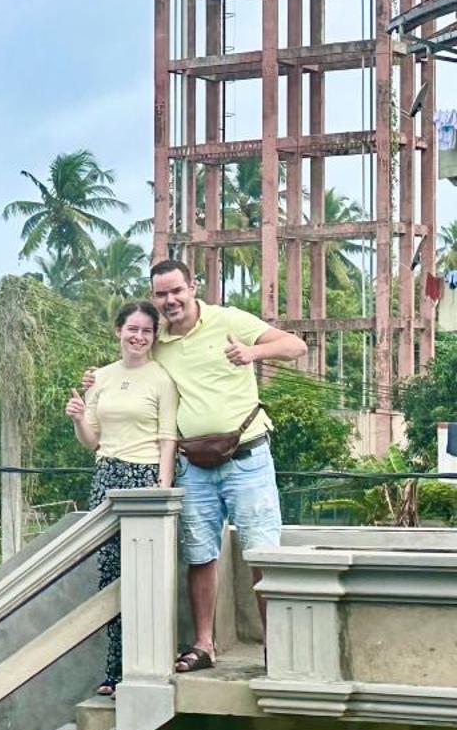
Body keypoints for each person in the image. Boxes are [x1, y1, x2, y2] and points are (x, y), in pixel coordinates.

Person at [85, 259, 307, 673]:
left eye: (176, 291)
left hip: (246, 454)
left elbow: (296, 346)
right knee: (199, 553)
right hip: (194, 463)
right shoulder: (160, 339)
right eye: (161, 294)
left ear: (193, 287)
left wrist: (253, 351)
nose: (170, 301)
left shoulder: (229, 320)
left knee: (262, 553)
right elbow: (129, 369)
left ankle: (275, 648)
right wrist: (94, 383)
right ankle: (204, 643)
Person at [65, 300, 176, 696]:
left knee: (146, 576)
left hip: (144, 476)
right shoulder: (102, 379)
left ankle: (150, 665)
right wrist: (79, 416)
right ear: (118, 330)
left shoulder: (161, 378)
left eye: (146, 331)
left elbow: (167, 438)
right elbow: (92, 440)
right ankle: (115, 669)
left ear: (153, 336)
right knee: (111, 575)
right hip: (107, 476)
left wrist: (161, 488)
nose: (138, 337)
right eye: (132, 329)